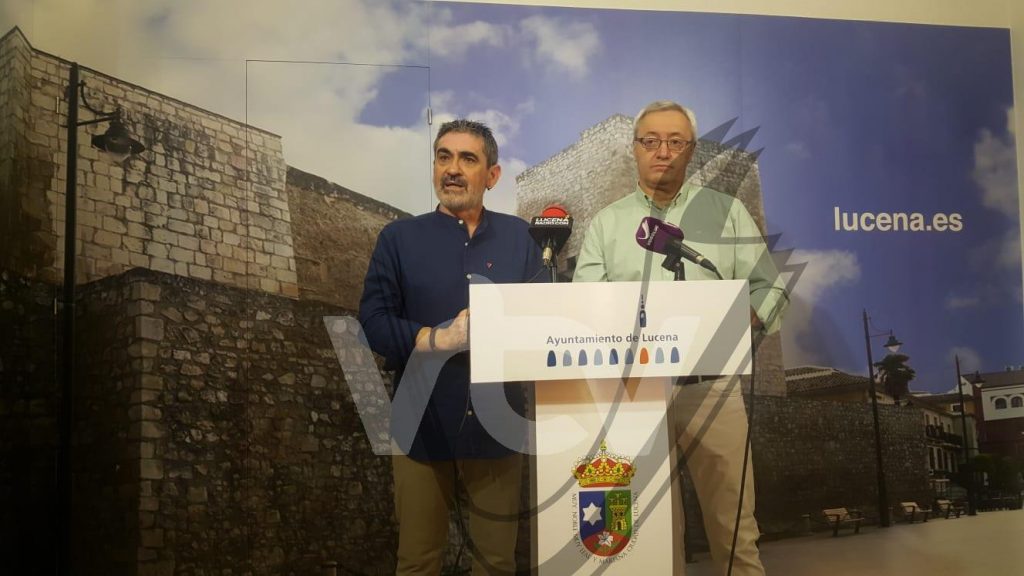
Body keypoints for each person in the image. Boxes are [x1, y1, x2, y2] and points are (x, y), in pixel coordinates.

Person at [574, 100, 788, 575]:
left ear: (691, 151)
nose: (663, 151)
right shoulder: (607, 224)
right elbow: (586, 307)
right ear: (635, 149)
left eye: (676, 141)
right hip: (634, 393)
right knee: (648, 538)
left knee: (735, 531)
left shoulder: (727, 213)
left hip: (712, 387)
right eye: (651, 141)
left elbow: (770, 288)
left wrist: (747, 319)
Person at [358, 119, 544, 576]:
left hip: (500, 429)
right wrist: (437, 339)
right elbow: (374, 322)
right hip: (420, 425)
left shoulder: (522, 239)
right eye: (443, 157)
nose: (452, 169)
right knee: (418, 562)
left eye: (467, 159)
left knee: (496, 563)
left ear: (492, 175)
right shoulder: (398, 240)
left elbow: (543, 321)